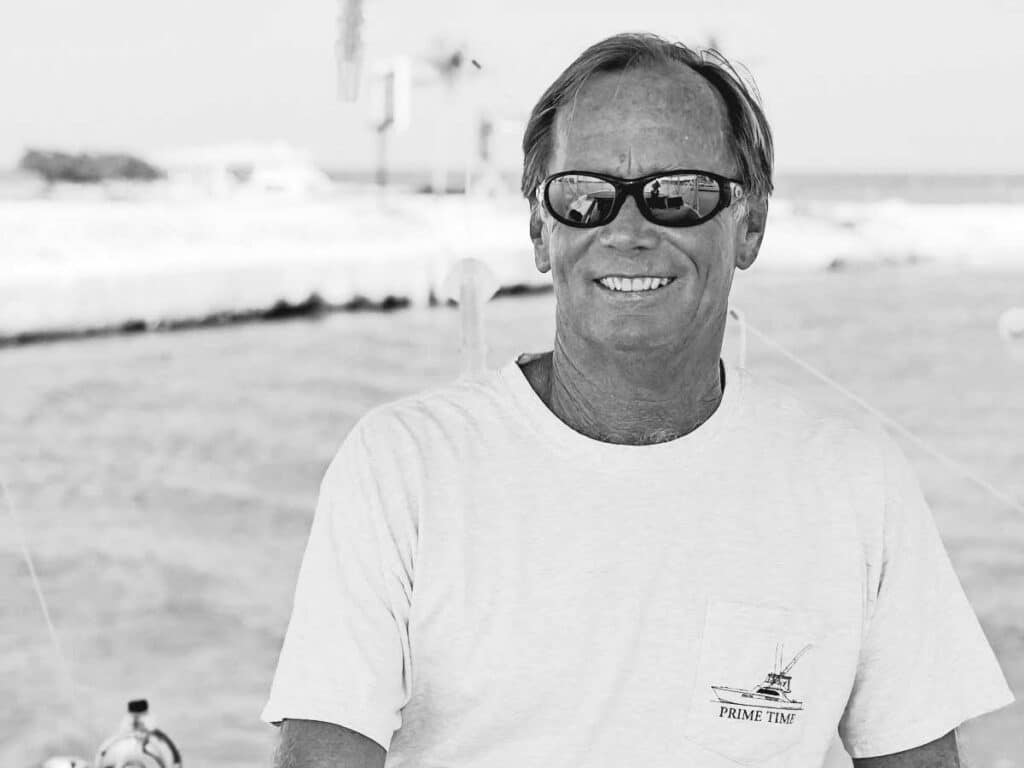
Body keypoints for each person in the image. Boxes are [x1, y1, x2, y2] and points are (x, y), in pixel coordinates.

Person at [262, 33, 1015, 767]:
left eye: (677, 196)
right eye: (586, 197)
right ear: (539, 229)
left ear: (749, 223)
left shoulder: (855, 481)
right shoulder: (402, 467)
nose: (627, 232)